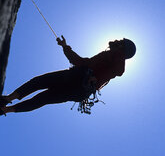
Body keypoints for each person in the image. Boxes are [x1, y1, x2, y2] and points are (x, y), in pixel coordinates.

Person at [0, 36, 136, 115]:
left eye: (120, 42)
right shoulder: (113, 57)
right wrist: (65, 47)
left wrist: (96, 78)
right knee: (42, 99)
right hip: (79, 91)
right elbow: (83, 62)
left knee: (39, 82)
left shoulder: (117, 56)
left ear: (122, 47)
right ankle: (5, 109)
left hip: (78, 78)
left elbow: (115, 71)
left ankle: (7, 100)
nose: (117, 41)